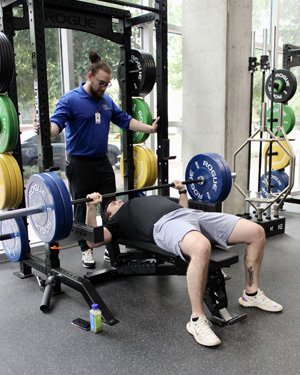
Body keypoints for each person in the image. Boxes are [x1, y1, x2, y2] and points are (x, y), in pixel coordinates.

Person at [84, 182, 283, 348]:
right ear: (108, 216)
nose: (117, 201)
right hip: (164, 226)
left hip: (192, 215)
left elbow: (184, 209)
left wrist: (182, 191)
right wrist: (91, 207)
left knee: (256, 232)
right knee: (201, 246)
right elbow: (93, 240)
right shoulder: (116, 223)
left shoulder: (141, 200)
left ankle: (251, 293)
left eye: (117, 200)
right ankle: (197, 319)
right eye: (111, 205)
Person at [47, 50, 159, 269]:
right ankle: (86, 249)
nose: (104, 87)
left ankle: (110, 245)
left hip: (102, 162)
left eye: (107, 84)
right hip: (79, 164)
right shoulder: (70, 100)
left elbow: (126, 121)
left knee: (110, 205)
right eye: (101, 82)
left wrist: (151, 129)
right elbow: (55, 125)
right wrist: (46, 129)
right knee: (83, 207)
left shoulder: (106, 101)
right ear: (90, 76)